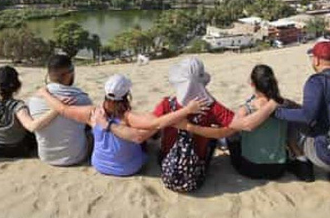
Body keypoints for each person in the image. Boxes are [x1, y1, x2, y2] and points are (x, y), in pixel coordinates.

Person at [231, 40, 330, 185]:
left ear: (316, 60)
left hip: (328, 154)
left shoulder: (317, 81)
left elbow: (306, 116)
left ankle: (304, 166)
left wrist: (274, 113)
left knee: (294, 124)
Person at [39, 74, 206, 176]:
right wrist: (188, 110)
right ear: (127, 95)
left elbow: (62, 109)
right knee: (148, 133)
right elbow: (158, 123)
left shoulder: (92, 113)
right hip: (128, 169)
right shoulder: (129, 118)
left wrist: (44, 93)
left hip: (99, 166)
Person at [182, 64, 293, 180]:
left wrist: (188, 126)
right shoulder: (284, 104)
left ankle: (225, 146)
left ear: (252, 84)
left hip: (251, 168)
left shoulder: (246, 109)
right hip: (278, 169)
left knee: (232, 133)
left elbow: (228, 129)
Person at [152, 57, 234, 168]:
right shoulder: (211, 106)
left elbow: (152, 125)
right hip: (196, 165)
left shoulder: (167, 103)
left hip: (167, 162)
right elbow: (234, 126)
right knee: (215, 137)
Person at [27, 55, 93, 166]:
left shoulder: (34, 100)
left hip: (46, 156)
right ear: (69, 74)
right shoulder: (82, 99)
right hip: (76, 157)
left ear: (49, 74)